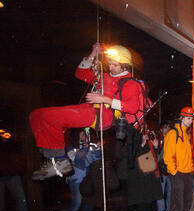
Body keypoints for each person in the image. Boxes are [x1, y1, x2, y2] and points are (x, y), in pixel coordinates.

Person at [30, 43, 147, 180]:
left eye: (115, 65)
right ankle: (54, 158)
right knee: (37, 115)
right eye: (110, 63)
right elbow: (80, 73)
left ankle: (60, 160)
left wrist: (104, 99)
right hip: (90, 108)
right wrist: (92, 54)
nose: (111, 67)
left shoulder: (130, 83)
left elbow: (132, 107)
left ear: (124, 66)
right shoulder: (105, 77)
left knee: (50, 117)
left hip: (103, 116)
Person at [164, 107, 194, 211]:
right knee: (177, 203)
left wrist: (191, 168)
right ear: (181, 118)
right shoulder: (173, 134)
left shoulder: (186, 134)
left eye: (191, 119)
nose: (190, 121)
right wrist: (174, 172)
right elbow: (167, 156)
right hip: (178, 173)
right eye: (188, 118)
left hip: (188, 172)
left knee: (187, 201)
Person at [64, 130, 101, 211]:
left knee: (88, 199)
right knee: (77, 202)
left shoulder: (89, 147)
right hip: (76, 179)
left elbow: (97, 158)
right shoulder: (71, 148)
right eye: (82, 135)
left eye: (85, 134)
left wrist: (97, 148)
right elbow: (77, 160)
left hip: (88, 177)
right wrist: (86, 147)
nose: (84, 136)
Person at [156, 122, 172, 211]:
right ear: (161, 130)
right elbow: (156, 155)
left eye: (168, 127)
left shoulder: (173, 139)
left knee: (170, 190)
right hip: (161, 170)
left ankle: (169, 208)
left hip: (170, 169)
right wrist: (156, 147)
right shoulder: (158, 140)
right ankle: (161, 210)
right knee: (160, 192)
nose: (167, 129)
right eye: (165, 127)